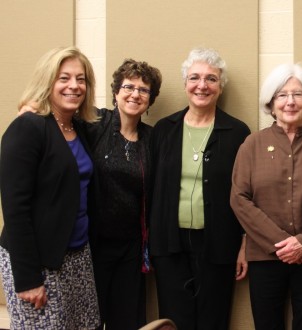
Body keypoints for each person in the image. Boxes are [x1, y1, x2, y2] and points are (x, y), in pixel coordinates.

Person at [230, 63, 302, 330]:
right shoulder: (252, 145)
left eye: (298, 94)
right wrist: (285, 243)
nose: (290, 102)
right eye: (282, 95)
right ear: (271, 104)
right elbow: (239, 198)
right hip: (265, 257)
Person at [148, 47, 250, 329]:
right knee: (173, 319)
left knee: (213, 319)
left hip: (218, 242)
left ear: (220, 86)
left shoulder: (238, 133)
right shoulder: (163, 130)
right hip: (169, 243)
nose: (202, 85)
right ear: (184, 84)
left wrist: (244, 244)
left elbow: (246, 194)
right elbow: (152, 188)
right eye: (194, 78)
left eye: (211, 79)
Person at [0, 46, 100, 329]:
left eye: (81, 79)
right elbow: (15, 209)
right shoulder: (28, 128)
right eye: (64, 78)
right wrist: (28, 278)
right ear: (47, 82)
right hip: (39, 261)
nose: (74, 86)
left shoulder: (79, 127)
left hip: (77, 257)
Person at [87, 59, 162, 329]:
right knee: (90, 318)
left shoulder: (153, 139)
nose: (135, 94)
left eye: (144, 90)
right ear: (116, 92)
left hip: (132, 248)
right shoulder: (95, 123)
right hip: (92, 245)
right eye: (128, 86)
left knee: (127, 319)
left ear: (150, 100)